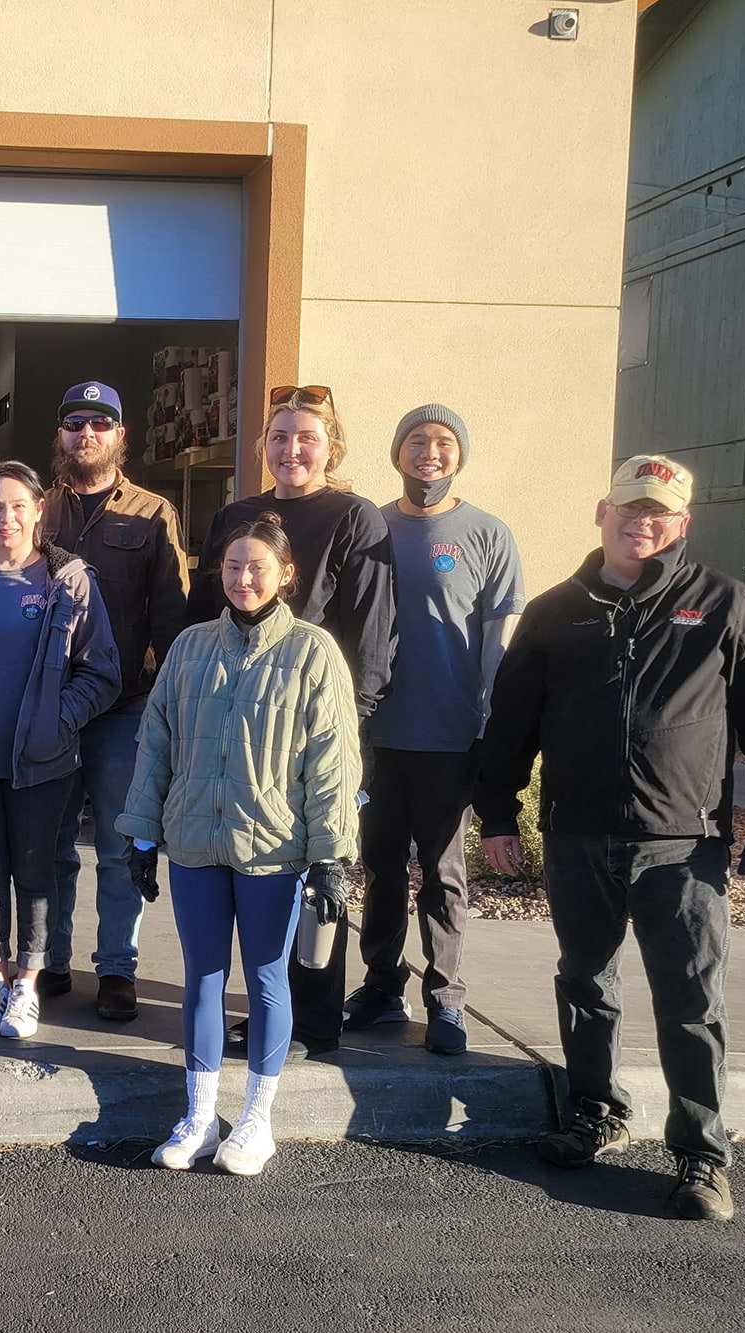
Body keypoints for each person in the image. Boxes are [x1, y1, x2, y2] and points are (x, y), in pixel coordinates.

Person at [474, 454, 745, 1223]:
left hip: (681, 844)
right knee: (586, 983)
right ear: (603, 511)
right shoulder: (558, 609)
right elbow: (511, 719)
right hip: (578, 834)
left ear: (682, 522)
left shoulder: (722, 603)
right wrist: (496, 812)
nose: (643, 521)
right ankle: (596, 1113)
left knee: (691, 999)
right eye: (631, 507)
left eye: (660, 510)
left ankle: (701, 1153)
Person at [120, 512, 360, 1175]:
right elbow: (156, 745)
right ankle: (199, 1115)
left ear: (286, 574)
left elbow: (333, 762)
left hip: (275, 849)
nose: (243, 578)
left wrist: (330, 855)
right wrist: (142, 834)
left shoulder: (313, 652)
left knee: (265, 978)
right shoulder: (191, 647)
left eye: (257, 567)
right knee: (202, 976)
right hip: (196, 841)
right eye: (231, 566)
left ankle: (257, 1117)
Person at [192, 385, 394, 1057]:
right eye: (280, 437)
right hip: (240, 715)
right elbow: (208, 610)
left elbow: (372, 633)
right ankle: (268, 1005)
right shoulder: (239, 514)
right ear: (264, 447)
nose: (292, 448)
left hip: (316, 717)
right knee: (257, 867)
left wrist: (352, 724)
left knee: (316, 871)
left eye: (306, 437)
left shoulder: (354, 517)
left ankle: (313, 1022)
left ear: (329, 446)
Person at [349, 406, 523, 1056]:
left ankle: (446, 998)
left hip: (450, 736)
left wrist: (490, 726)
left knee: (444, 875)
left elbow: (495, 645)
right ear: (397, 452)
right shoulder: (370, 528)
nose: (430, 451)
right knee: (381, 868)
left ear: (460, 455)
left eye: (444, 441)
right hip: (377, 734)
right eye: (417, 440)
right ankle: (381, 987)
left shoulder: (486, 532)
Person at [0, 462, 121, 1041]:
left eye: (17, 506)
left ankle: (27, 986)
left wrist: (56, 723)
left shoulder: (68, 580)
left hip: (43, 760)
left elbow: (101, 671)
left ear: (40, 510)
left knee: (36, 874)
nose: (5, 517)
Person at [43, 381, 189, 1020]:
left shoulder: (154, 513)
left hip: (125, 708)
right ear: (62, 435)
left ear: (121, 435)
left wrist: (171, 708)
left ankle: (116, 969)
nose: (87, 435)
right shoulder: (35, 508)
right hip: (45, 708)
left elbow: (173, 617)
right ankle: (49, 958)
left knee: (117, 845)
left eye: (100, 424)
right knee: (47, 848)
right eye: (75, 423)